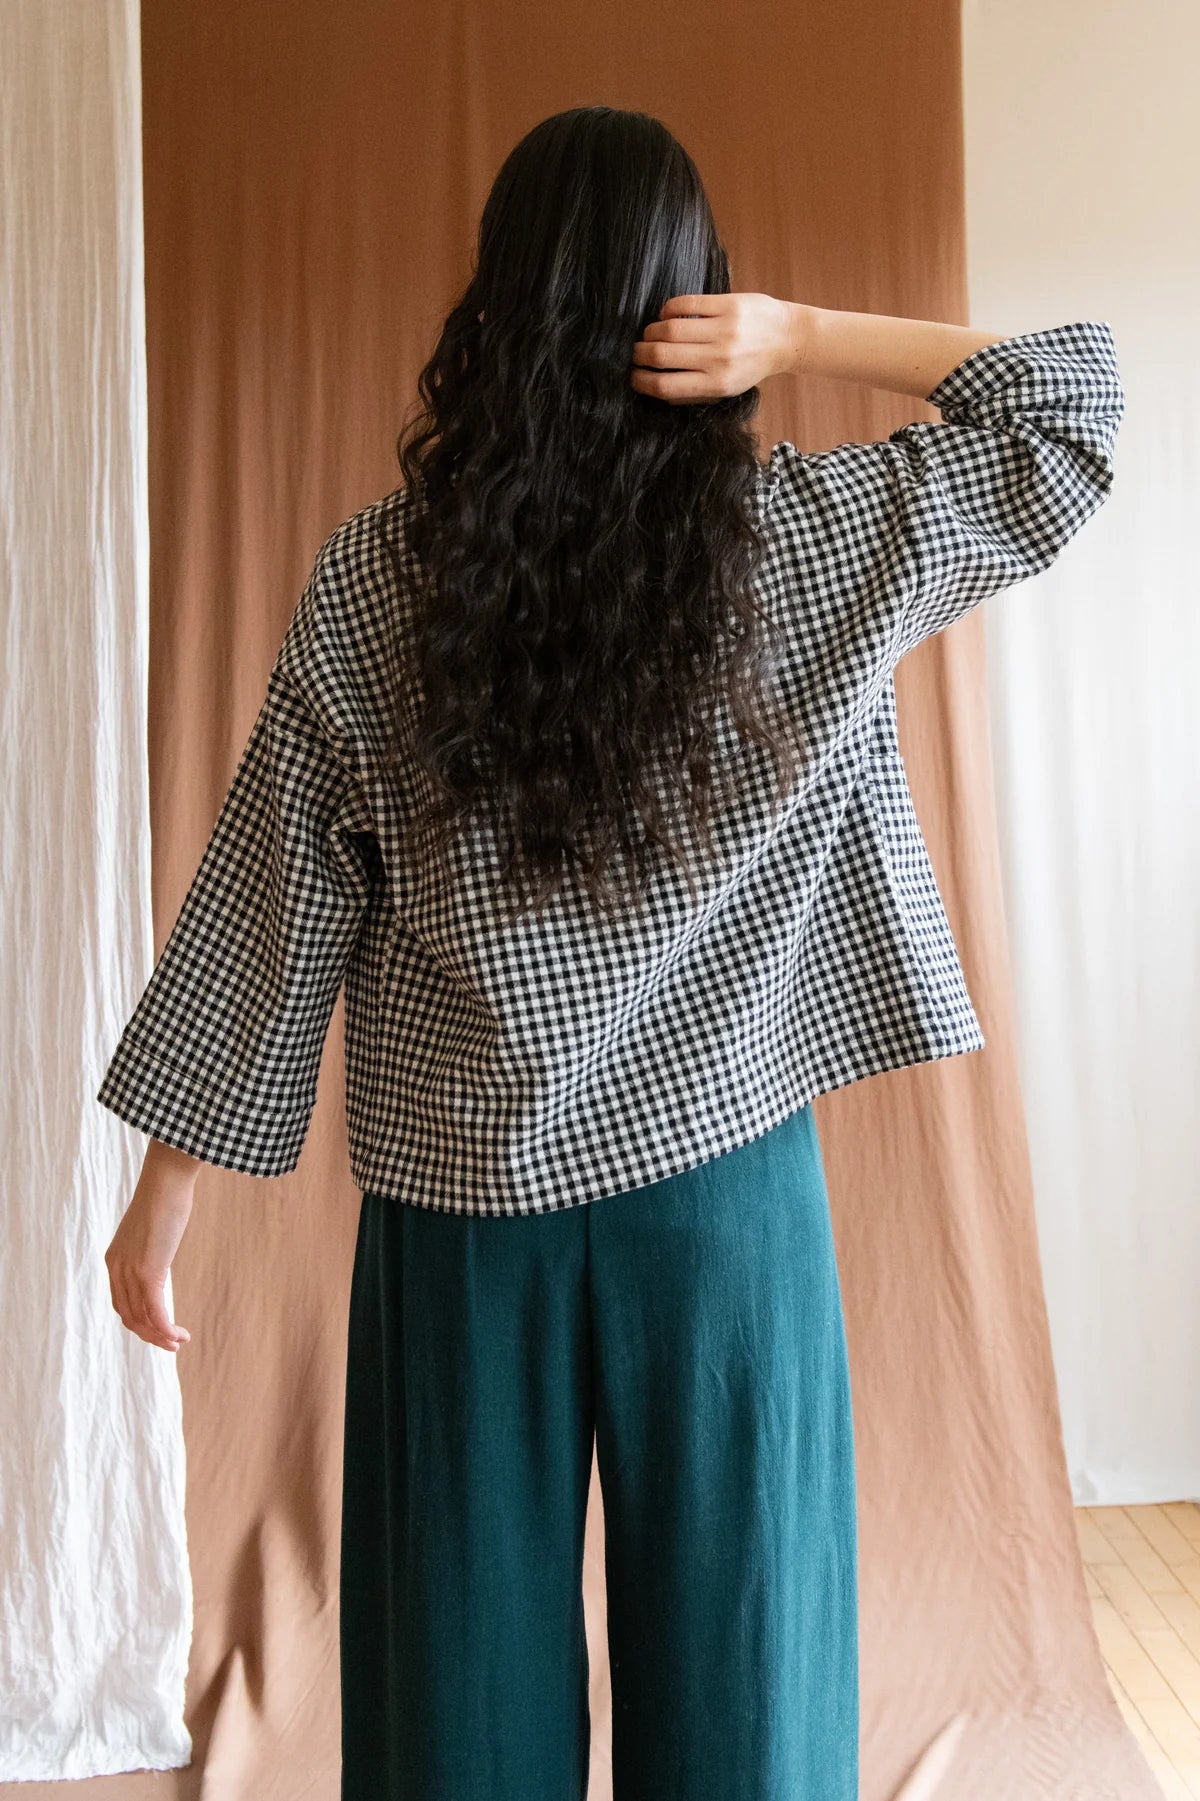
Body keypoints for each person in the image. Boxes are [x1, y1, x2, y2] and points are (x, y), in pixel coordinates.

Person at [97, 105, 1124, 1801]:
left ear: (496, 298)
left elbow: (273, 899)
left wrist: (167, 1194)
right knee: (749, 1683)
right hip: (725, 1199)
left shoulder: (378, 581)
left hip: (460, 1210)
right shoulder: (802, 543)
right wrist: (805, 332)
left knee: (454, 1710)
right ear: (696, 302)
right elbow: (1069, 412)